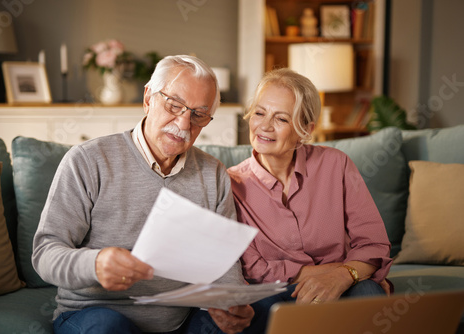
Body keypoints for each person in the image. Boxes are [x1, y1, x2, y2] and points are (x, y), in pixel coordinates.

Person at [32, 55, 256, 334]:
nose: (184, 124)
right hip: (94, 314)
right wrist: (95, 263)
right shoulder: (87, 160)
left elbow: (223, 261)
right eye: (174, 105)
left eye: (198, 115)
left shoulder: (213, 174)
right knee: (107, 327)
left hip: (179, 319)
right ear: (148, 98)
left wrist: (231, 304)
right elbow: (45, 254)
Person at [227, 68, 393, 327]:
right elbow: (253, 269)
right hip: (275, 293)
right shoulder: (231, 184)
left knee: (368, 293)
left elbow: (374, 244)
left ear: (305, 129)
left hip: (344, 287)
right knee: (251, 313)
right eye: (259, 113)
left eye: (281, 119)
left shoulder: (336, 164)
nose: (264, 126)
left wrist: (344, 277)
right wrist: (337, 271)